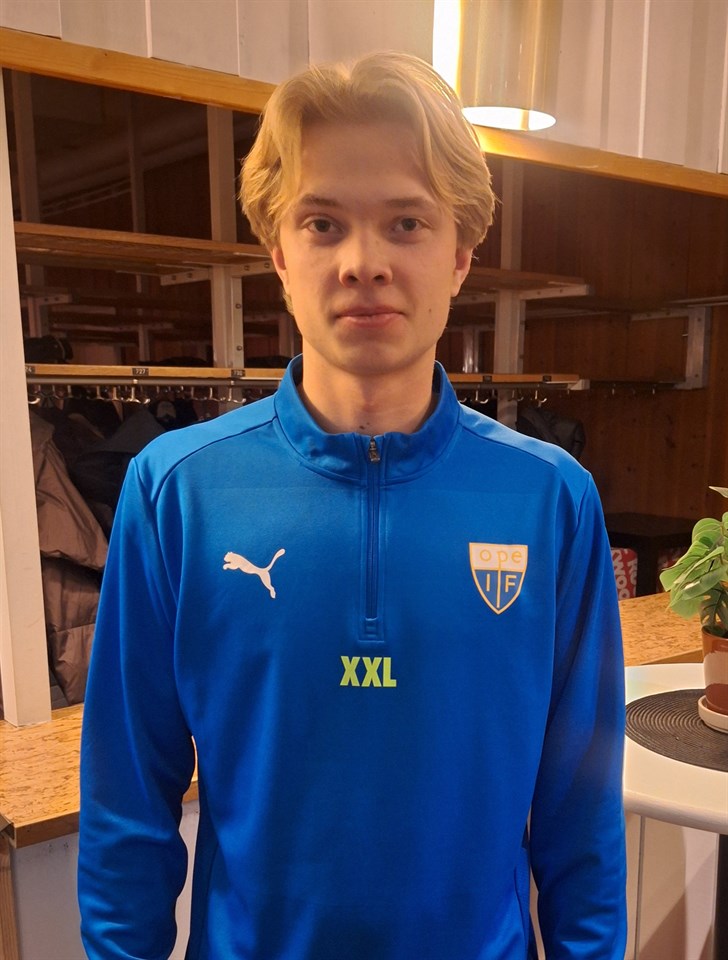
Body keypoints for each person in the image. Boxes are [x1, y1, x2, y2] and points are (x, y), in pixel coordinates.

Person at [78, 51, 627, 959]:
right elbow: (126, 805)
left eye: (406, 222)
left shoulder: (550, 499)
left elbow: (583, 816)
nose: (363, 264)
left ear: (460, 254)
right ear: (279, 254)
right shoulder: (177, 491)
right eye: (323, 223)